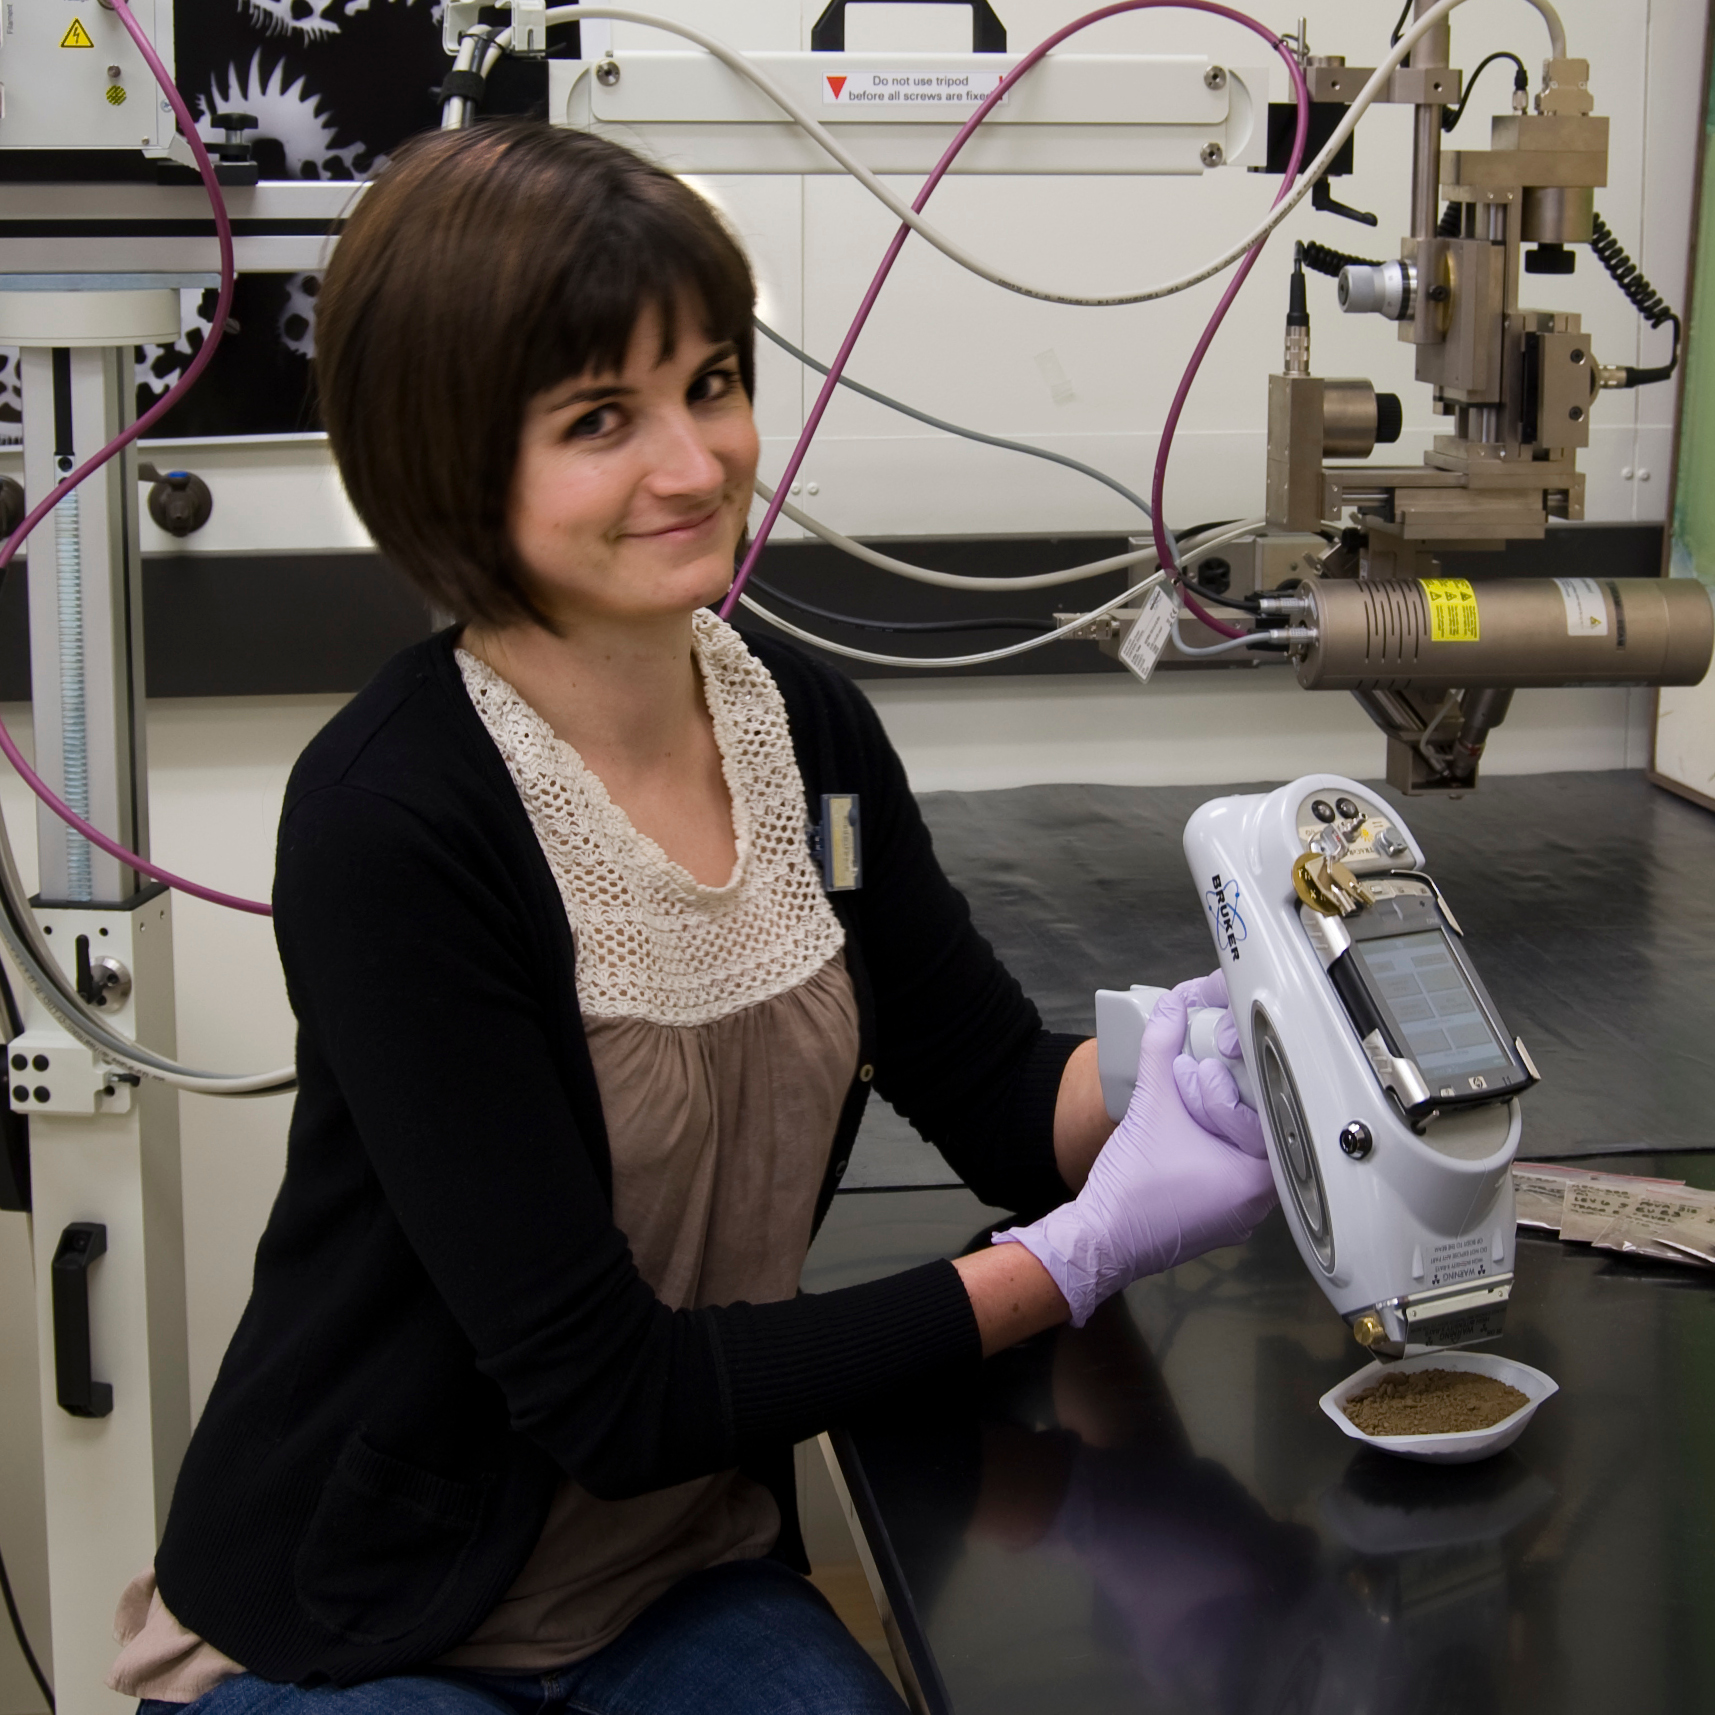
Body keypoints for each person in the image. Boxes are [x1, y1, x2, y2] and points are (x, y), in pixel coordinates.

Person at [107, 120, 1276, 1715]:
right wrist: (1067, 1265)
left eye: (712, 382)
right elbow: (613, 1395)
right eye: (603, 417)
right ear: (450, 457)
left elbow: (998, 1095)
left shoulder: (804, 729)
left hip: (675, 1571)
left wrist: (1186, 1066)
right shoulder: (392, 818)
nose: (697, 460)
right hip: (378, 1608)